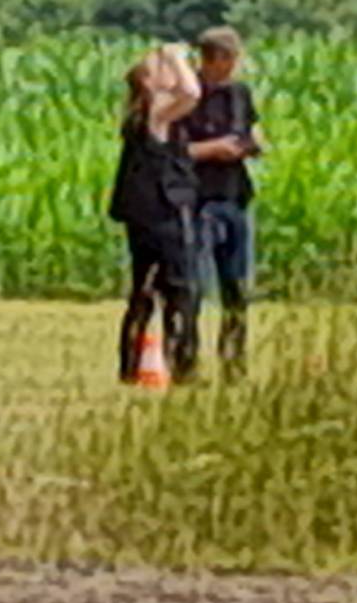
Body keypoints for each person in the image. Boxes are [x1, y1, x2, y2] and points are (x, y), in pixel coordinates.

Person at [109, 45, 203, 384]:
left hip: (141, 214)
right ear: (149, 82)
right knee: (179, 291)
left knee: (143, 291)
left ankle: (130, 365)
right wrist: (177, 57)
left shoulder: (138, 115)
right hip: (164, 212)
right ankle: (183, 365)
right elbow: (192, 92)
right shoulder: (156, 112)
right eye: (161, 68)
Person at [182, 26, 265, 375]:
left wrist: (253, 144)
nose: (234, 65)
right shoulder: (185, 97)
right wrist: (214, 149)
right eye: (230, 58)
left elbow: (252, 129)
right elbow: (171, 151)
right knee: (193, 288)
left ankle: (234, 359)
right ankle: (186, 359)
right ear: (214, 59)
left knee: (237, 288)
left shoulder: (239, 94)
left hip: (235, 198)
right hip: (198, 201)